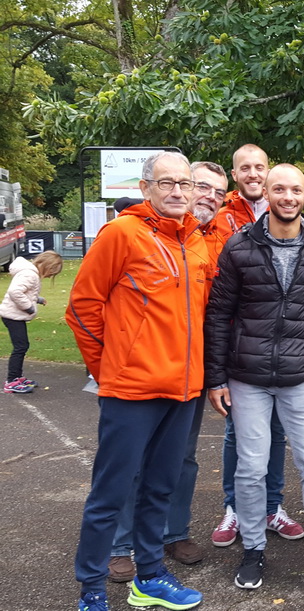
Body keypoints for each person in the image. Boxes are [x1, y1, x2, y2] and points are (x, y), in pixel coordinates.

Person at [205, 164, 304, 604]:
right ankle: (254, 549)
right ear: (266, 193)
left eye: (296, 189)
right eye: (280, 189)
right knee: (251, 470)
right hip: (248, 378)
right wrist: (216, 376)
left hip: (299, 379)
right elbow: (218, 315)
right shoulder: (239, 247)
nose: (288, 196)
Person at [67, 151, 209, 611]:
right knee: (111, 492)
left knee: (160, 488)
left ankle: (148, 577)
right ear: (146, 187)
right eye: (166, 183)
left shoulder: (197, 242)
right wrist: (107, 367)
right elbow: (83, 308)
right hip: (131, 391)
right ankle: (90, 587)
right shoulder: (122, 234)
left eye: (185, 184)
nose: (177, 192)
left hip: (184, 390)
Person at [108, 161, 229, 583]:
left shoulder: (208, 240)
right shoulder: (134, 233)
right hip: (140, 373)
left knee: (183, 459)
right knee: (134, 461)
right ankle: (121, 545)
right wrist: (108, 365)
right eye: (202, 186)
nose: (209, 195)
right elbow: (86, 306)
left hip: (190, 374)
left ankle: (173, 533)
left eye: (218, 191)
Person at [210, 144, 304, 547]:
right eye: (245, 168)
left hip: (284, 349)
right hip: (240, 348)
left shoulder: (290, 215)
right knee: (238, 435)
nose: (252, 173)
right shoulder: (220, 218)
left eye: (259, 167)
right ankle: (235, 507)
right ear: (237, 175)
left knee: (277, 432)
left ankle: (271, 506)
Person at [1, 251, 63, 393]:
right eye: (52, 272)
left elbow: (27, 292)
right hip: (12, 316)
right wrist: (28, 307)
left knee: (22, 346)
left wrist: (38, 299)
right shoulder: (30, 274)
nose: (50, 276)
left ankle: (17, 377)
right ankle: (11, 381)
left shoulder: (30, 273)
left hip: (13, 315)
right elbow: (15, 292)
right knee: (21, 347)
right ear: (48, 266)